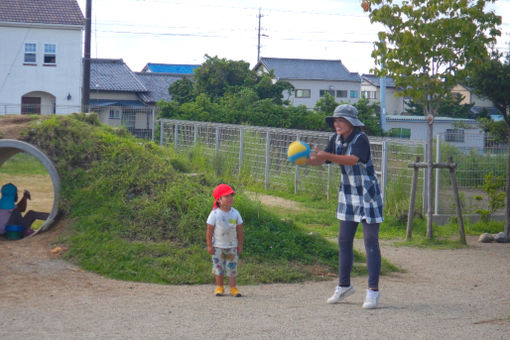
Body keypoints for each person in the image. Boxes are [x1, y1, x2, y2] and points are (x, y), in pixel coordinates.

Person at [307, 104, 384, 309]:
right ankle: (344, 285)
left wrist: (325, 155)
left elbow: (351, 160)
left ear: (352, 123)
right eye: (335, 120)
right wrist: (306, 160)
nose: (336, 124)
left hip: (367, 195)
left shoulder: (361, 139)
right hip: (348, 194)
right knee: (343, 240)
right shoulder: (335, 139)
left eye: (341, 120)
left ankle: (373, 291)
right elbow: (323, 161)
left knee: (370, 240)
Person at [206, 184, 244, 297]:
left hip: (232, 246)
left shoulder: (235, 213)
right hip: (218, 246)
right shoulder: (215, 214)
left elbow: (240, 231)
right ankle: (220, 287)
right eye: (226, 196)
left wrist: (240, 245)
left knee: (232, 268)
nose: (230, 198)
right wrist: (209, 246)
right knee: (219, 268)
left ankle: (233, 288)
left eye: (231, 196)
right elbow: (209, 231)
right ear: (219, 200)